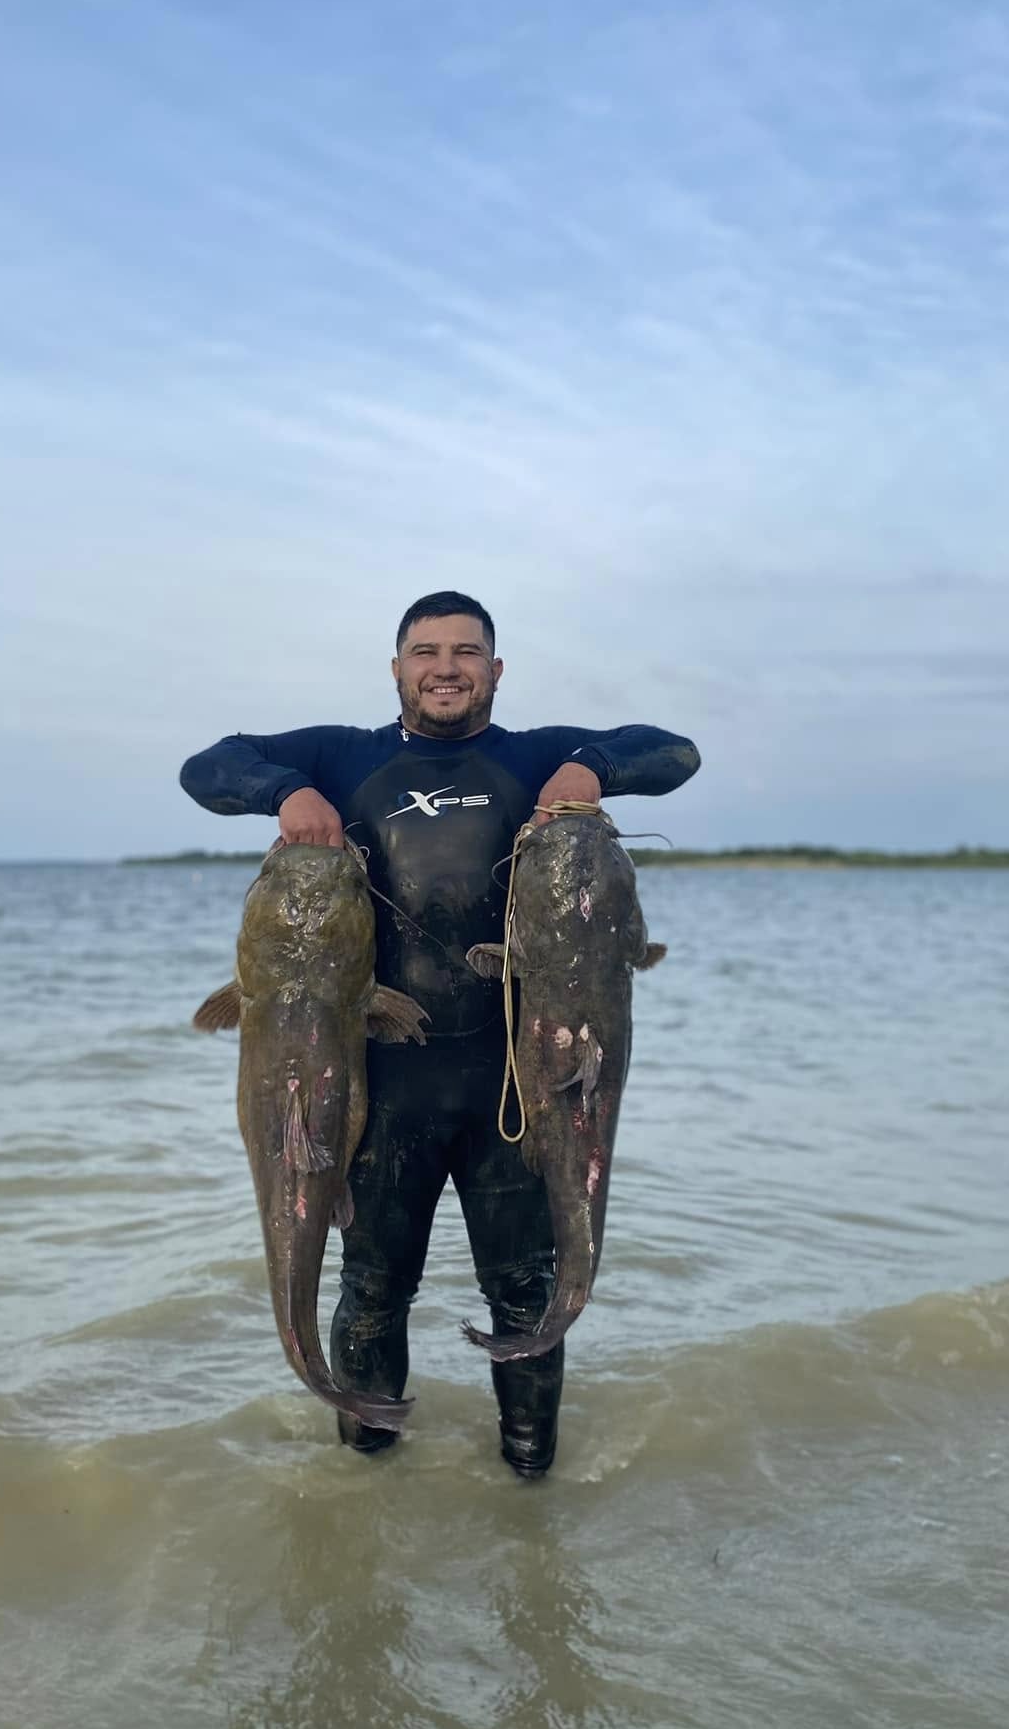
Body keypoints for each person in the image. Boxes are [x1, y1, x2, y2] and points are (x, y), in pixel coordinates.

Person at [179, 591, 700, 1477]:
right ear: (397, 669)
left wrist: (591, 770)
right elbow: (206, 768)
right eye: (426, 652)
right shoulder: (342, 757)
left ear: (495, 671)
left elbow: (675, 753)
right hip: (381, 1091)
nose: (446, 668)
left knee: (525, 1288)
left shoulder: (535, 757)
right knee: (372, 1290)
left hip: (515, 1092)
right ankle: (366, 1471)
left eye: (466, 652)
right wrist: (288, 791)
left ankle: (530, 1479)